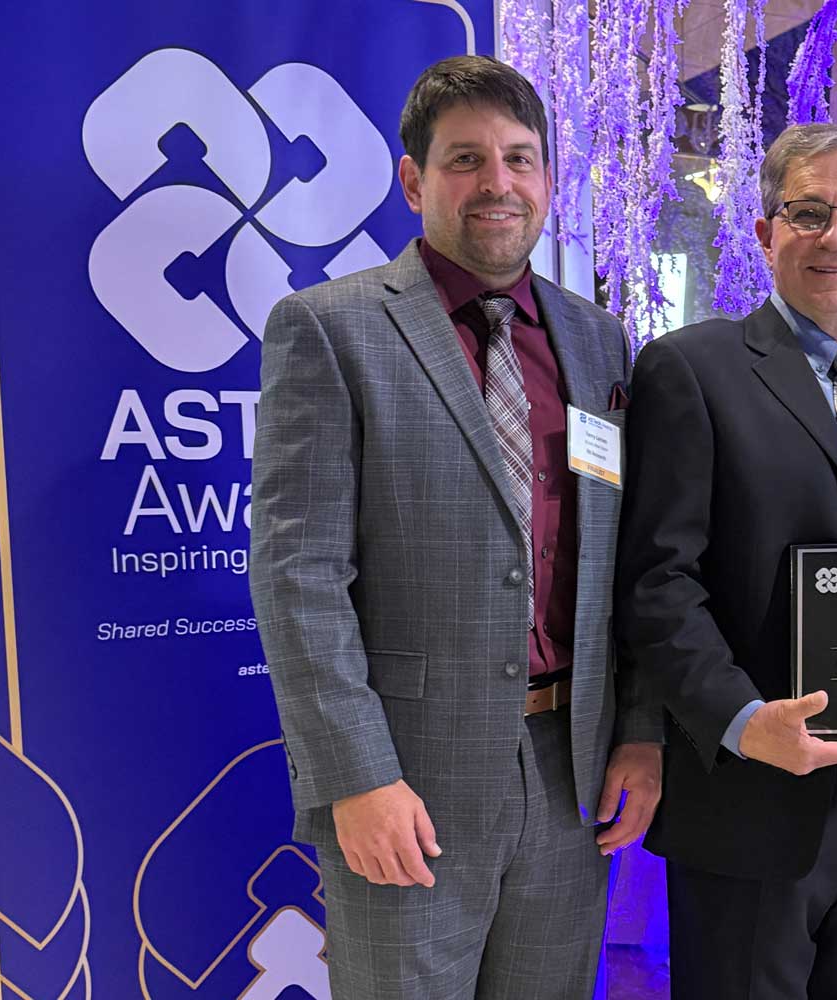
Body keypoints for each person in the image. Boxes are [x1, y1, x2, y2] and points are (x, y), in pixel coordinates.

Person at [249, 55, 662, 1000]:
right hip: (410, 781)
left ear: (549, 181)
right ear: (413, 180)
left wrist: (642, 733)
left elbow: (624, 561)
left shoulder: (598, 342)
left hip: (573, 776)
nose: (498, 183)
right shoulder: (330, 329)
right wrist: (356, 778)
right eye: (467, 159)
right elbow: (297, 572)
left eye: (520, 159)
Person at [615, 123, 837, 1000]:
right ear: (766, 230)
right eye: (808, 213)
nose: (834, 237)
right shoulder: (691, 370)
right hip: (748, 796)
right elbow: (658, 582)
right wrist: (742, 721)